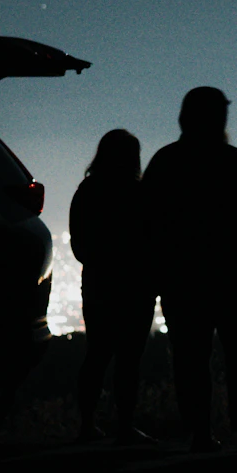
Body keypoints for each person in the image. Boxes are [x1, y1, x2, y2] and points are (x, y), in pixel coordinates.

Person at [141, 87, 237, 454]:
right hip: (233, 275)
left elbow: (148, 221)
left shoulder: (166, 161)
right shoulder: (235, 161)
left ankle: (199, 431)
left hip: (183, 277)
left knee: (191, 358)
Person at [69, 129, 156, 445]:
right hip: (136, 286)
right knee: (128, 360)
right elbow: (152, 240)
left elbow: (80, 244)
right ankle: (124, 425)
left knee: (97, 355)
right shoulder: (140, 193)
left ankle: (88, 424)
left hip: (100, 285)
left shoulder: (88, 190)